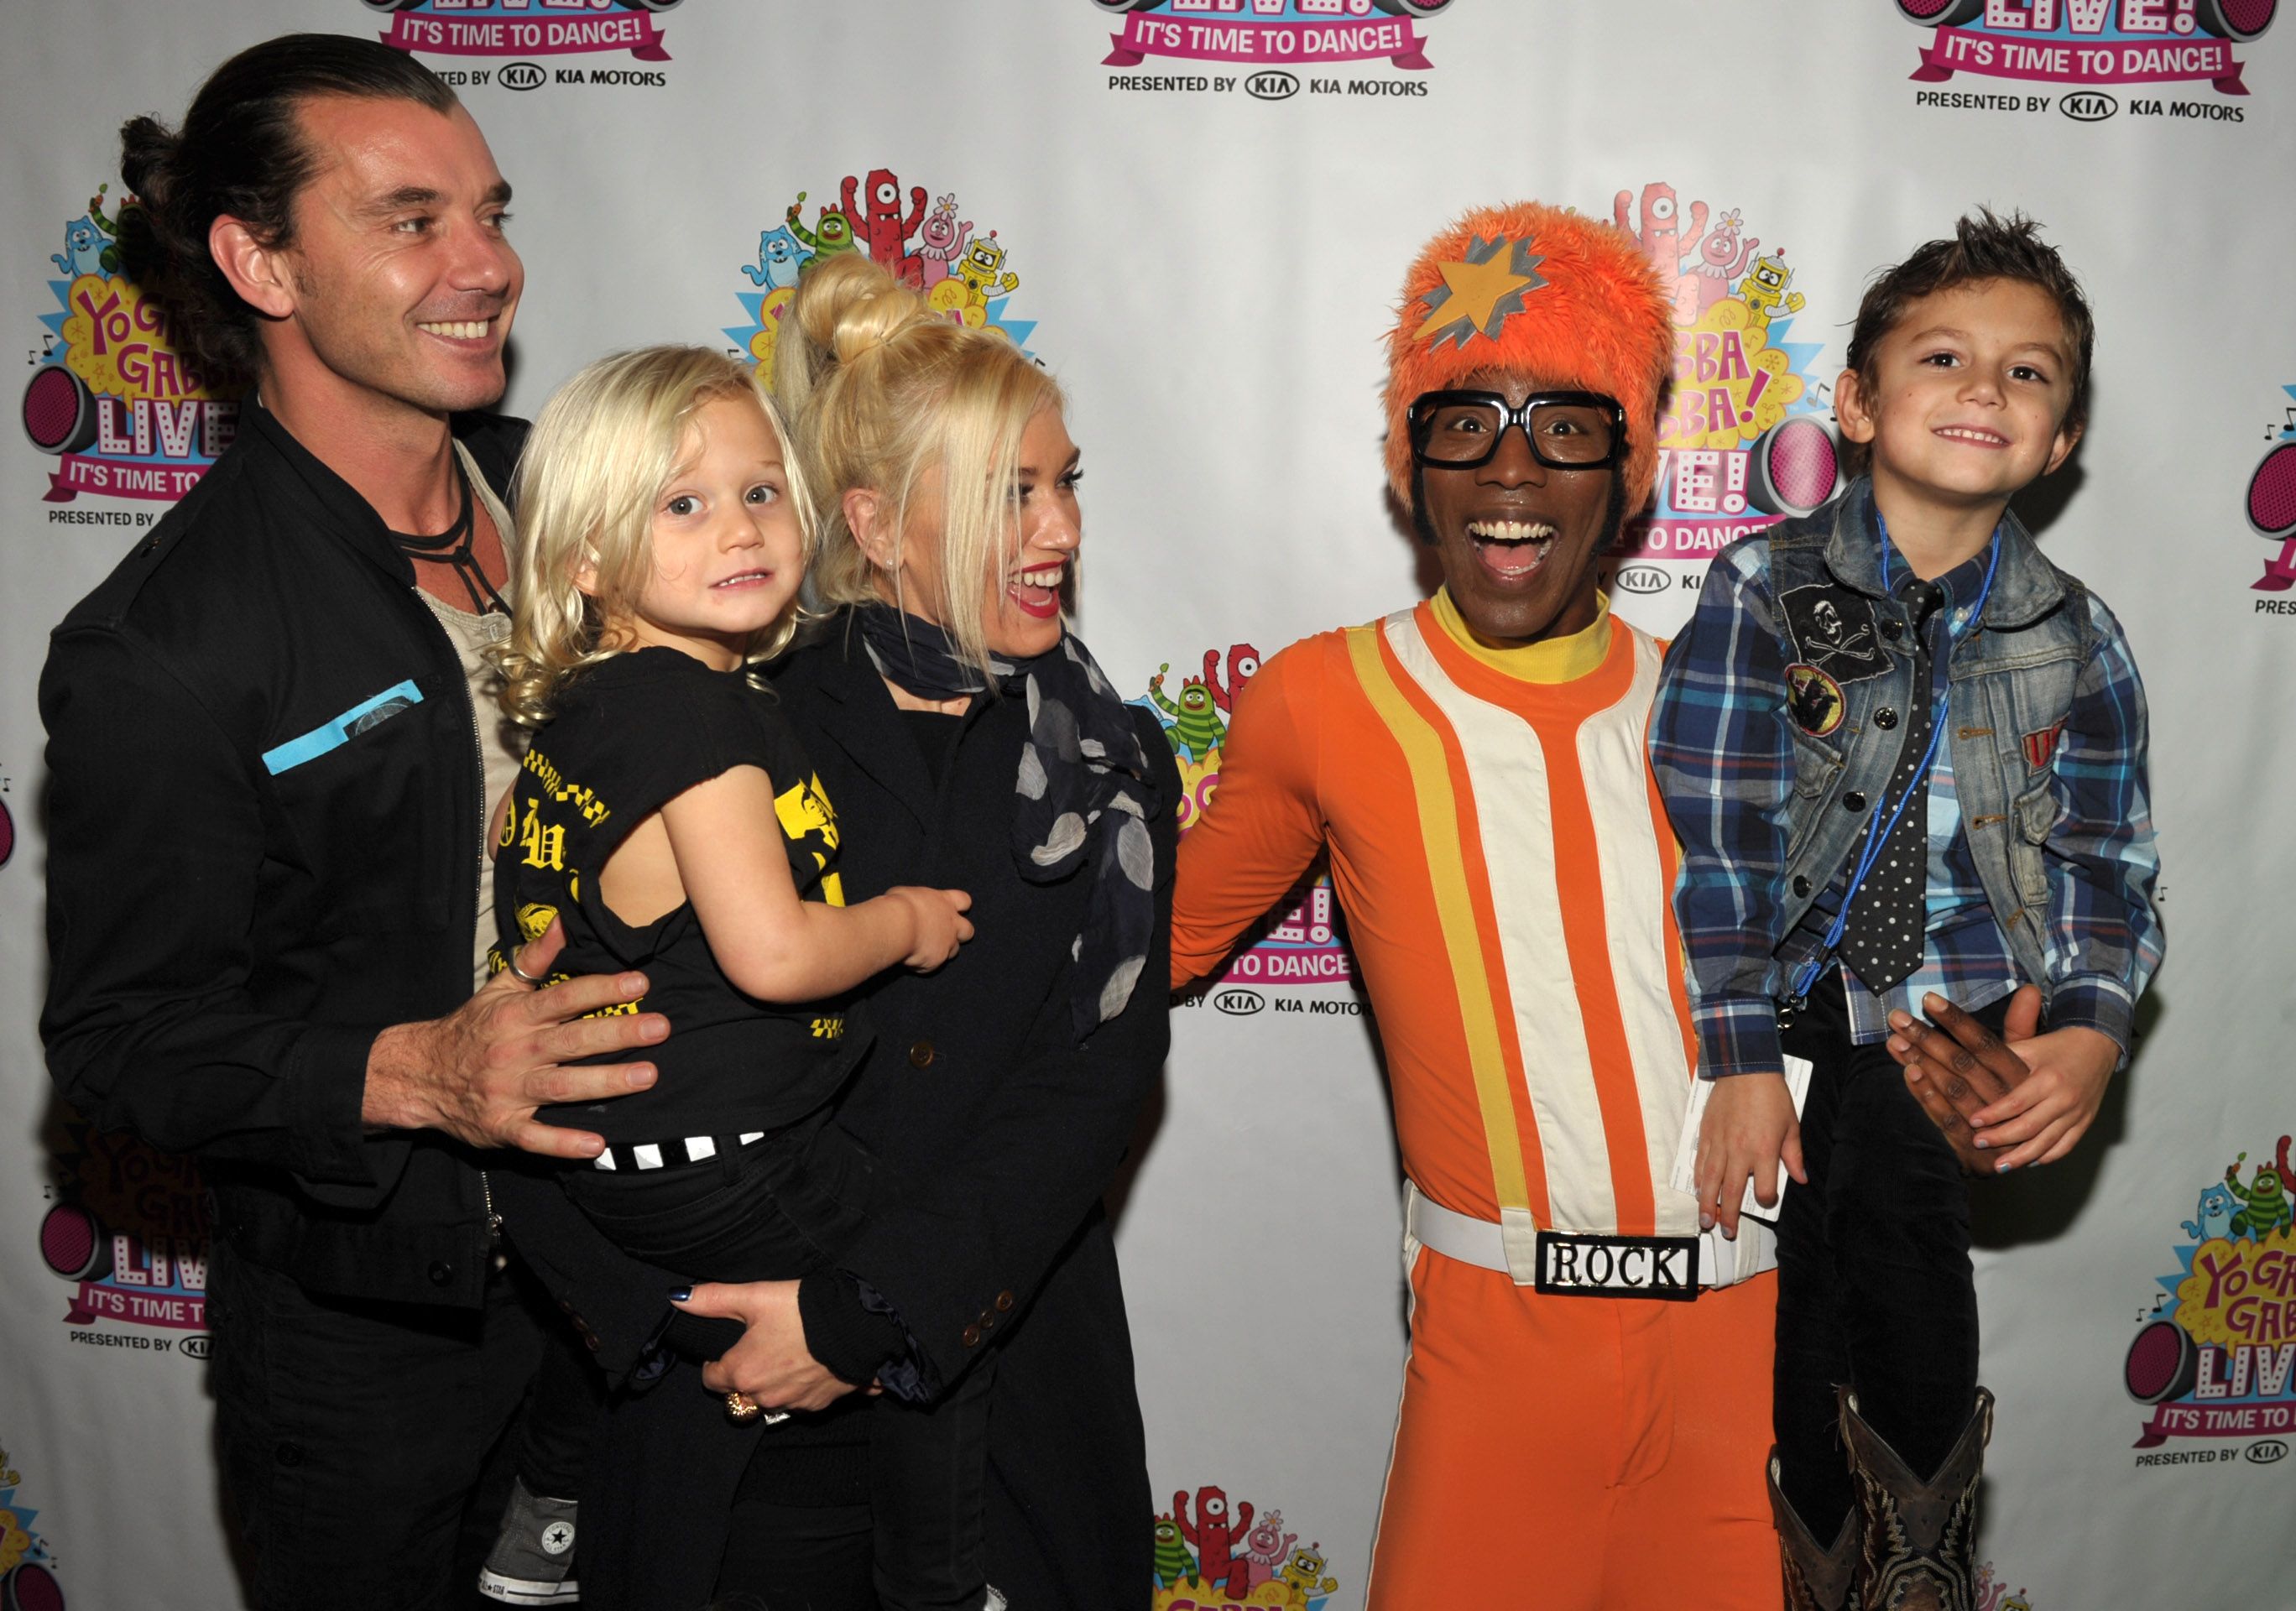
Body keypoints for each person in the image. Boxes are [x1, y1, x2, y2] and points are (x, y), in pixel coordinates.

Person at [38, 35, 671, 1610]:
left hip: (641, 1269)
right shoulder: (169, 640)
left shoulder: (580, 503)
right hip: (380, 1346)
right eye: (412, 221)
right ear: (258, 260)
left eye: (492, 211)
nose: (490, 264)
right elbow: (126, 1041)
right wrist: (422, 1072)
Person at [1170, 201, 1782, 1608]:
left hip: (1742, 1352)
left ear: (1630, 474)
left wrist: (2053, 1024)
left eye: (1567, 424)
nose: (1513, 470)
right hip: (1496, 1360)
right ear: (1412, 464)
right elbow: (1136, 955)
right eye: (1463, 423)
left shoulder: (1722, 696)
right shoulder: (1322, 700)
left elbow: (1877, 972)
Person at [561, 254, 1178, 1609]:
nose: (1060, 530)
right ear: (878, 525)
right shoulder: (721, 729)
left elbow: (1095, 1083)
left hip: (1004, 1378)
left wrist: (863, 1317)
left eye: (1067, 480)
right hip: (729, 1388)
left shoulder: (1113, 763)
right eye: (1013, 491)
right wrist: (676, 1315)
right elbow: (591, 1031)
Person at [1649, 210, 2163, 1610]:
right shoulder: (1765, 584)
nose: (1986, 390)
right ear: (1861, 403)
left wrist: (2093, 1034)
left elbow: (2109, 868)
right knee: (1821, 1237)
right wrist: (1743, 1056)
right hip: (1797, 989)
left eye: (2029, 374)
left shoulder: (2082, 634)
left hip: (1964, 1006)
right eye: (1944, 358)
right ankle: (1877, 1563)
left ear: (2060, 443)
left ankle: (1897, 1555)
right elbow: (1713, 833)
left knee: (1885, 1127)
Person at [469, 346, 979, 1607]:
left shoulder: (594, 710)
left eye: (762, 491)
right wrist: (905, 919)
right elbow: (777, 955)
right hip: (723, 1168)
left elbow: (525, 876)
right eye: (682, 505)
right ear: (585, 559)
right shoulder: (700, 725)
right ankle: (944, 1583)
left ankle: (554, 1498)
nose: (740, 528)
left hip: (614, 1172)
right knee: (928, 1296)